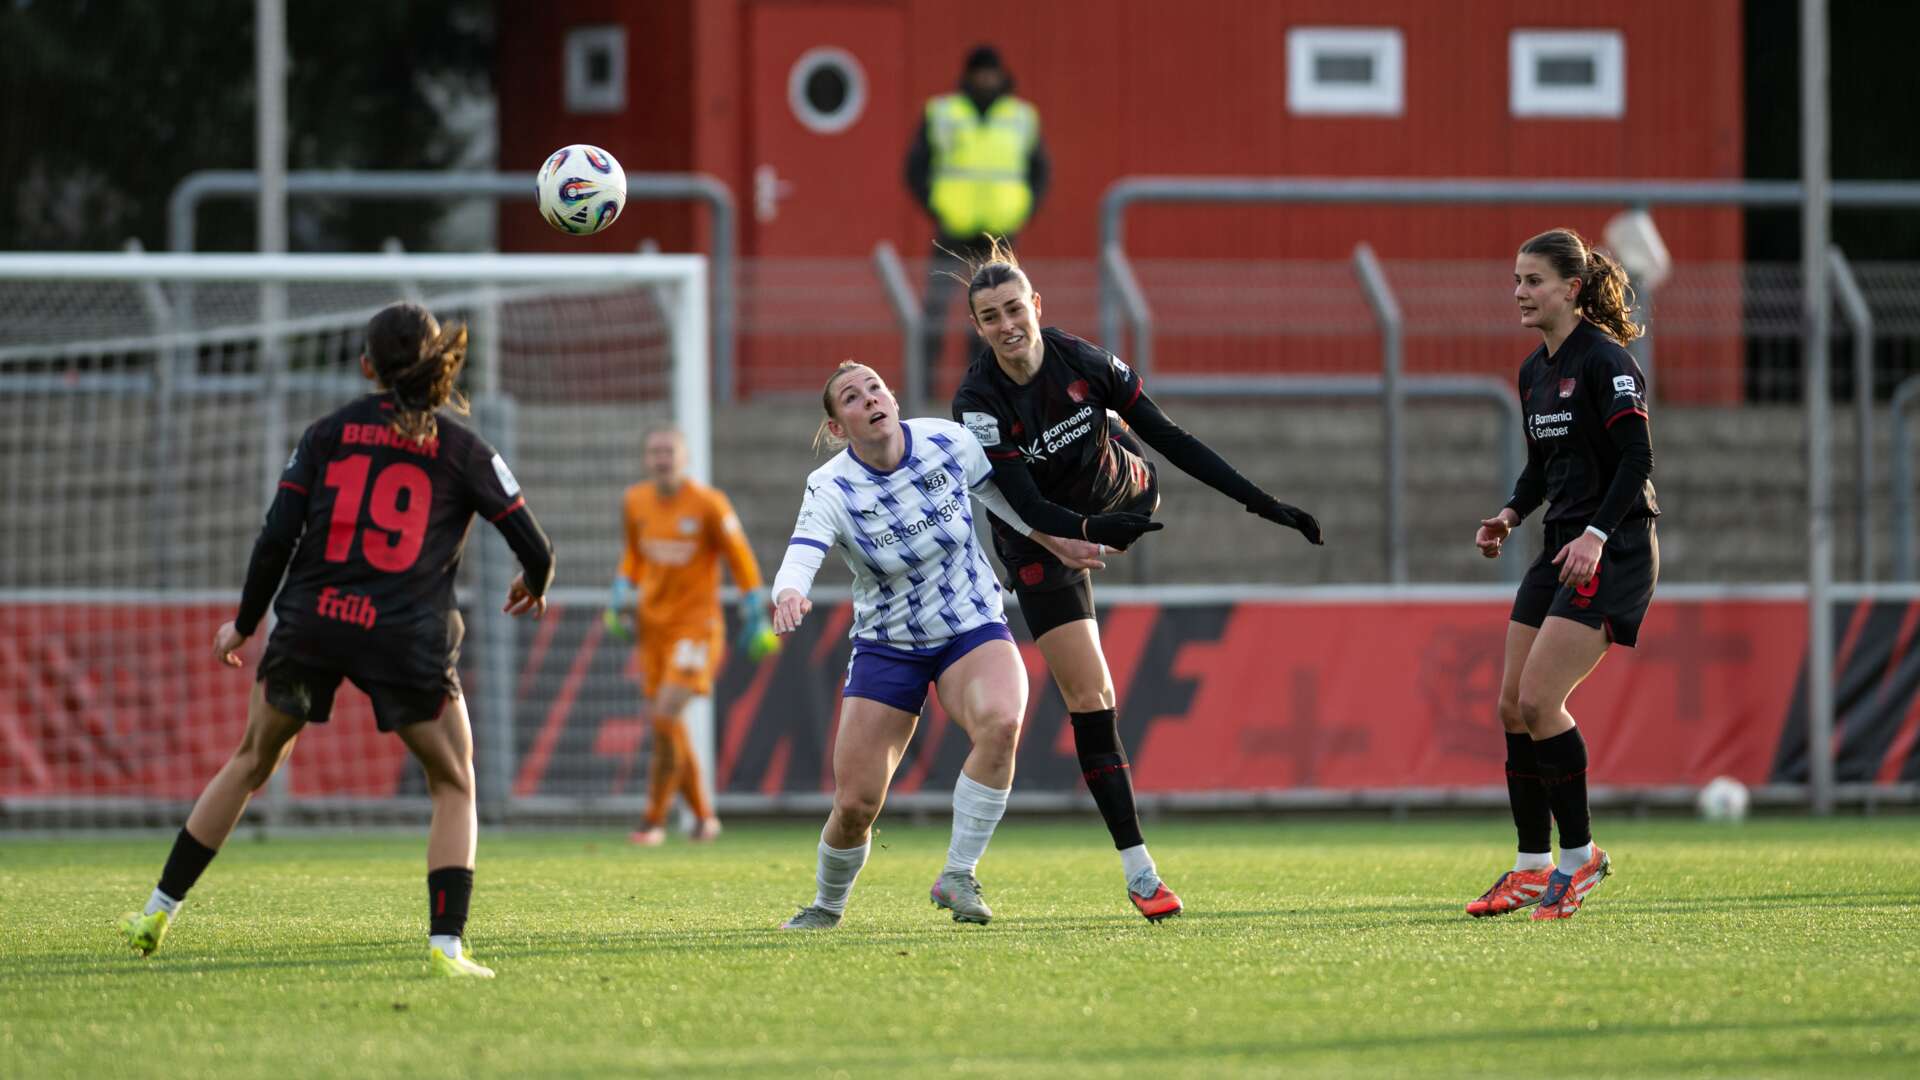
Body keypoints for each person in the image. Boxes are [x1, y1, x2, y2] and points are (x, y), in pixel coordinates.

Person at [117, 302, 554, 977]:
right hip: (405, 635)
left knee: (251, 762)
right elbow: (535, 545)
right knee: (453, 783)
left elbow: (275, 537)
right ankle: (446, 947)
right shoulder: (466, 448)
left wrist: (245, 620)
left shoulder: (326, 433)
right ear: (438, 364)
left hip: (315, 621)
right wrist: (535, 580)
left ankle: (156, 910)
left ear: (366, 367)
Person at [950, 239, 1323, 922]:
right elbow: (1028, 507)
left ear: (1035, 305)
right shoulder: (977, 401)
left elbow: (1175, 438)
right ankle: (1142, 874)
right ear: (977, 328)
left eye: (1014, 309)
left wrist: (1261, 502)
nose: (1007, 325)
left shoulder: (1082, 359)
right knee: (1092, 695)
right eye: (990, 317)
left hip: (1117, 492)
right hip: (1038, 538)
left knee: (1138, 468)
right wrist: (1088, 537)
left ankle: (1111, 439)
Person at [774, 362, 1157, 930]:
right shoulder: (831, 485)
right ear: (838, 427)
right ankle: (827, 906)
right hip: (889, 642)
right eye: (852, 398)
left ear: (893, 396)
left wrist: (1059, 542)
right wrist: (789, 592)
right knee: (855, 805)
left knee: (1003, 720)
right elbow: (803, 550)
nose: (870, 399)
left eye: (875, 387)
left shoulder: (948, 442)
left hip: (970, 625)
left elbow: (1006, 499)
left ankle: (958, 873)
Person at [1467, 227, 1658, 921]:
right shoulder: (1533, 371)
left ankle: (1580, 862)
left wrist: (1599, 536)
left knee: (1544, 701)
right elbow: (1544, 466)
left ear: (1572, 288)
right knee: (1513, 706)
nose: (1520, 293)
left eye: (1533, 281)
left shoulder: (1607, 361)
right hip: (1558, 546)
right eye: (1516, 281)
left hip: (1615, 550)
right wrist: (1511, 514)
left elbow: (1637, 462)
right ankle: (1530, 865)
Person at [604, 428, 771, 846]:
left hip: (696, 627)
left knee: (664, 715)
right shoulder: (635, 501)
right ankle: (702, 817)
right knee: (669, 723)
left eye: (669, 451)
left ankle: (653, 820)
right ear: (647, 459)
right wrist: (624, 585)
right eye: (655, 451)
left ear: (685, 457)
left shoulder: (709, 504)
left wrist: (754, 608)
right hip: (652, 628)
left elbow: (740, 557)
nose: (662, 459)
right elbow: (633, 554)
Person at [904, 44, 1050, 374]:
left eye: (991, 72)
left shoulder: (1021, 117)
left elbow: (1040, 171)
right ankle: (923, 387)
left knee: (996, 311)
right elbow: (915, 167)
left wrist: (1021, 208)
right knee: (936, 310)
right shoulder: (943, 112)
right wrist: (939, 206)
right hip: (953, 227)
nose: (986, 79)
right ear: (968, 75)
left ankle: (986, 383)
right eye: (980, 72)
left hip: (1000, 229)